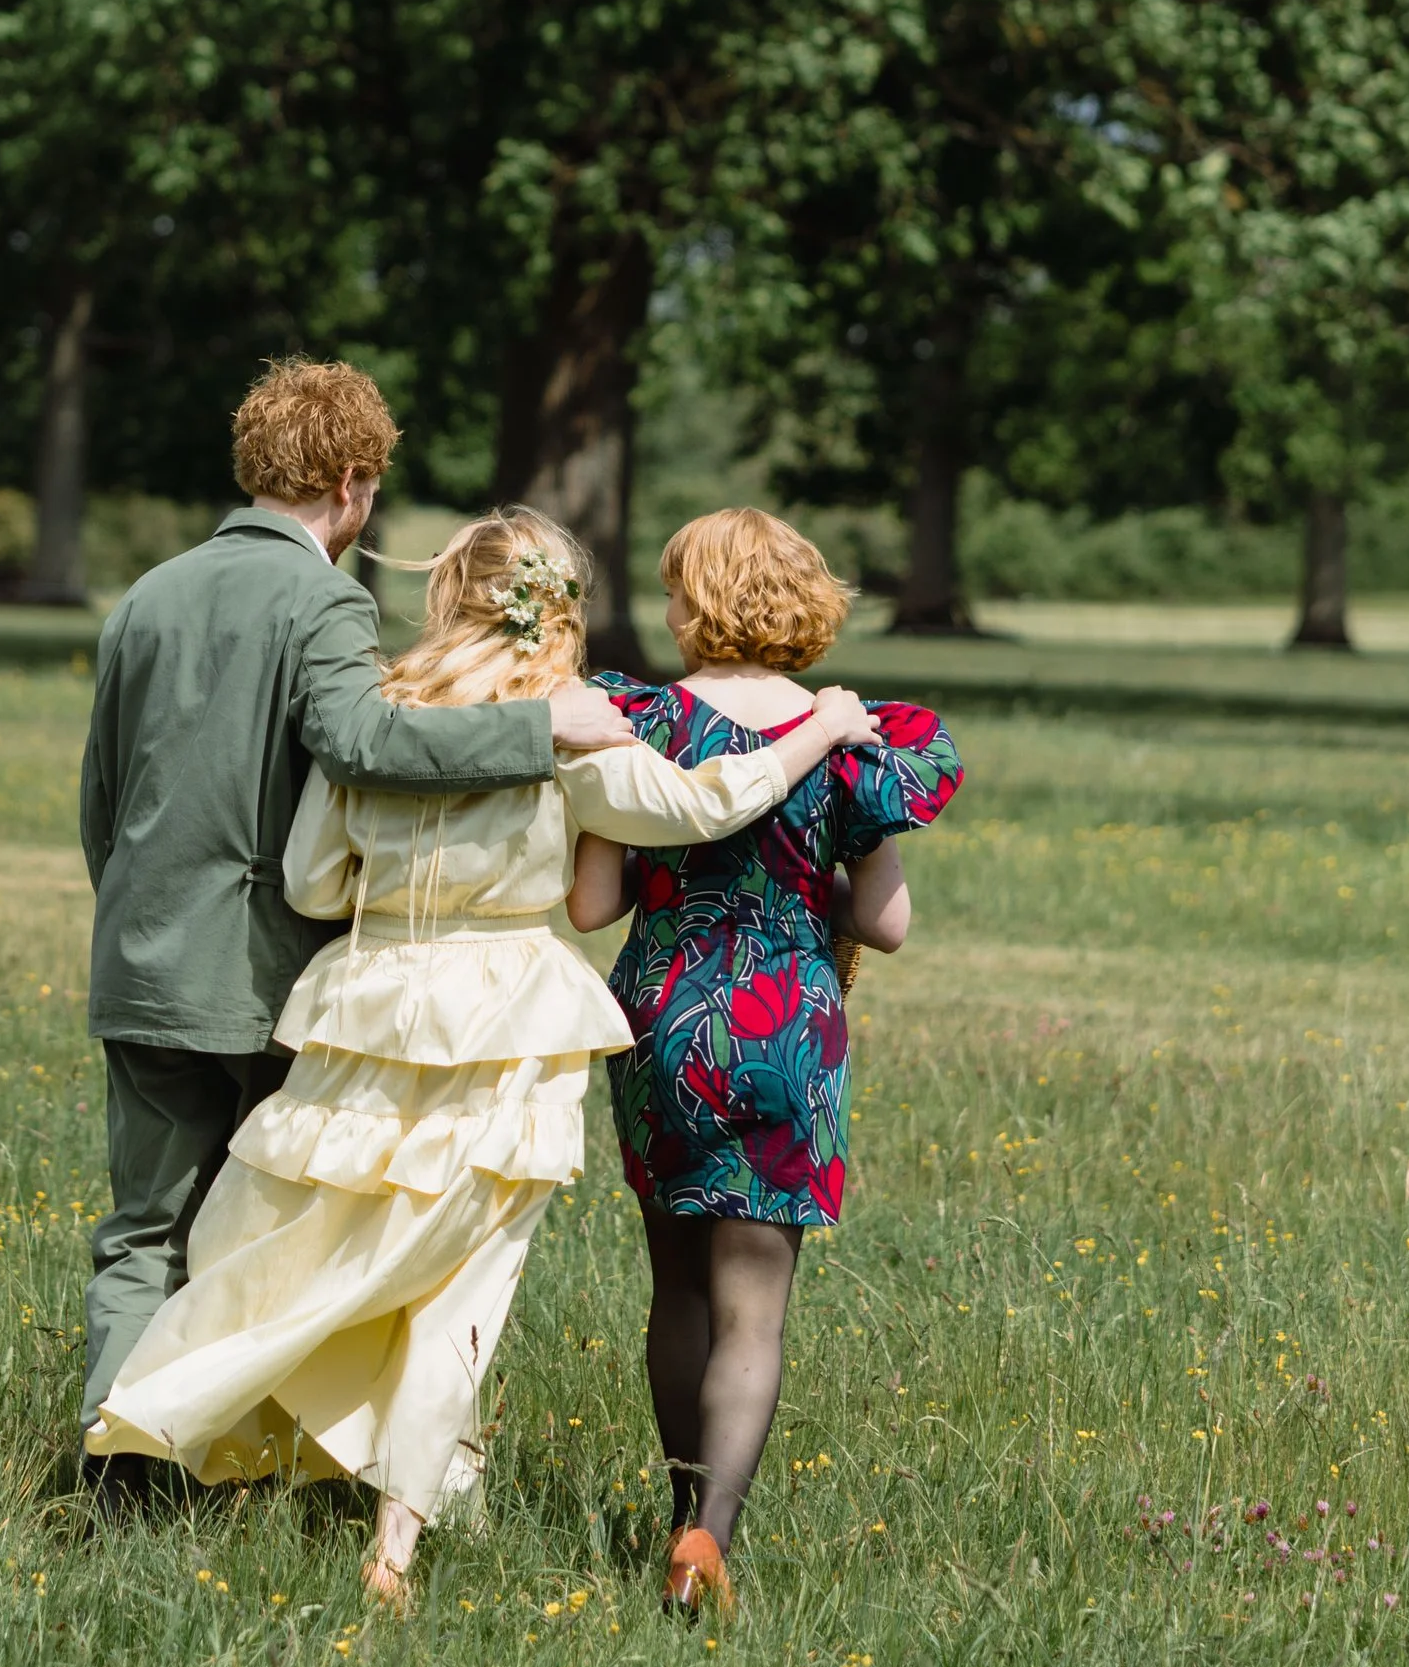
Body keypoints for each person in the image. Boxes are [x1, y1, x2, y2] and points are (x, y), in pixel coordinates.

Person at [82, 508, 876, 1602]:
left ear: (447, 594)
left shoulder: (384, 709)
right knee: (464, 1284)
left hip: (366, 1007)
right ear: (560, 608)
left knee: (295, 1246)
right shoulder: (573, 724)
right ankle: (393, 1541)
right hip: (506, 1020)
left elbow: (313, 882)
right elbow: (703, 803)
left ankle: (164, 1425)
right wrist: (819, 730)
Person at [75, 358, 642, 1475]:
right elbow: (365, 743)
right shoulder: (322, 597)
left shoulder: (150, 590)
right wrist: (547, 730)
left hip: (138, 957)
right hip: (257, 973)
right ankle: (247, 1454)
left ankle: (116, 1471)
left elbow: (102, 798)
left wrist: (136, 915)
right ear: (350, 481)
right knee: (264, 1238)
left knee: (143, 1232)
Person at [601, 507, 962, 1616]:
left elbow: (594, 901)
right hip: (783, 1021)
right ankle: (710, 1539)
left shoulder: (645, 725)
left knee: (677, 1287)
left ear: (694, 602)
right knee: (753, 1306)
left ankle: (677, 1513)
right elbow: (888, 924)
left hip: (663, 1018)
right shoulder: (848, 738)